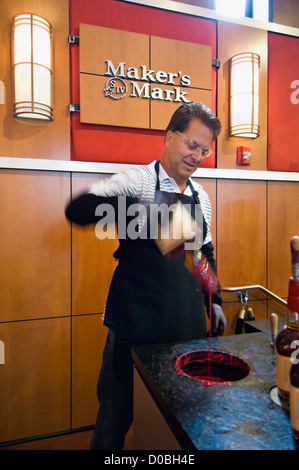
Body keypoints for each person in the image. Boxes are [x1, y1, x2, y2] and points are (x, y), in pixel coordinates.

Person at [65, 101, 226, 450]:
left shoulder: (201, 196)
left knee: (176, 426)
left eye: (204, 149)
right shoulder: (138, 180)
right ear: (169, 137)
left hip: (185, 328)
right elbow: (78, 209)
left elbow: (200, 255)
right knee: (113, 424)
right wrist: (150, 213)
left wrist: (216, 300)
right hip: (135, 324)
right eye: (191, 144)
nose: (197, 155)